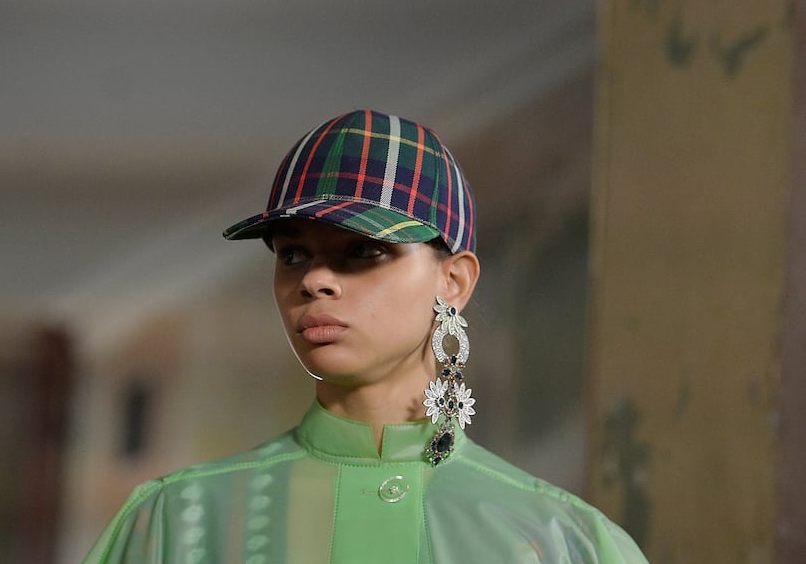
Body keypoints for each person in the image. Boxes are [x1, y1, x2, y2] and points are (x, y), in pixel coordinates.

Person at [83, 110, 649, 563]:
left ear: (453, 281)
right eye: (293, 253)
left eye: (363, 250)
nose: (314, 280)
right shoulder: (176, 522)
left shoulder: (566, 543)